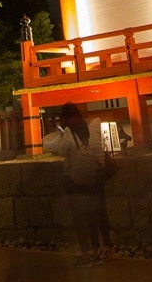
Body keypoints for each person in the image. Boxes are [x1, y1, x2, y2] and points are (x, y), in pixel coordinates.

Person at [42, 102, 113, 265]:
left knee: (81, 216)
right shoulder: (92, 127)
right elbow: (99, 150)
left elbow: (61, 151)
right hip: (94, 177)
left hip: (75, 180)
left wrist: (61, 132)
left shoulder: (68, 132)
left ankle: (87, 252)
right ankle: (103, 248)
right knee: (97, 213)